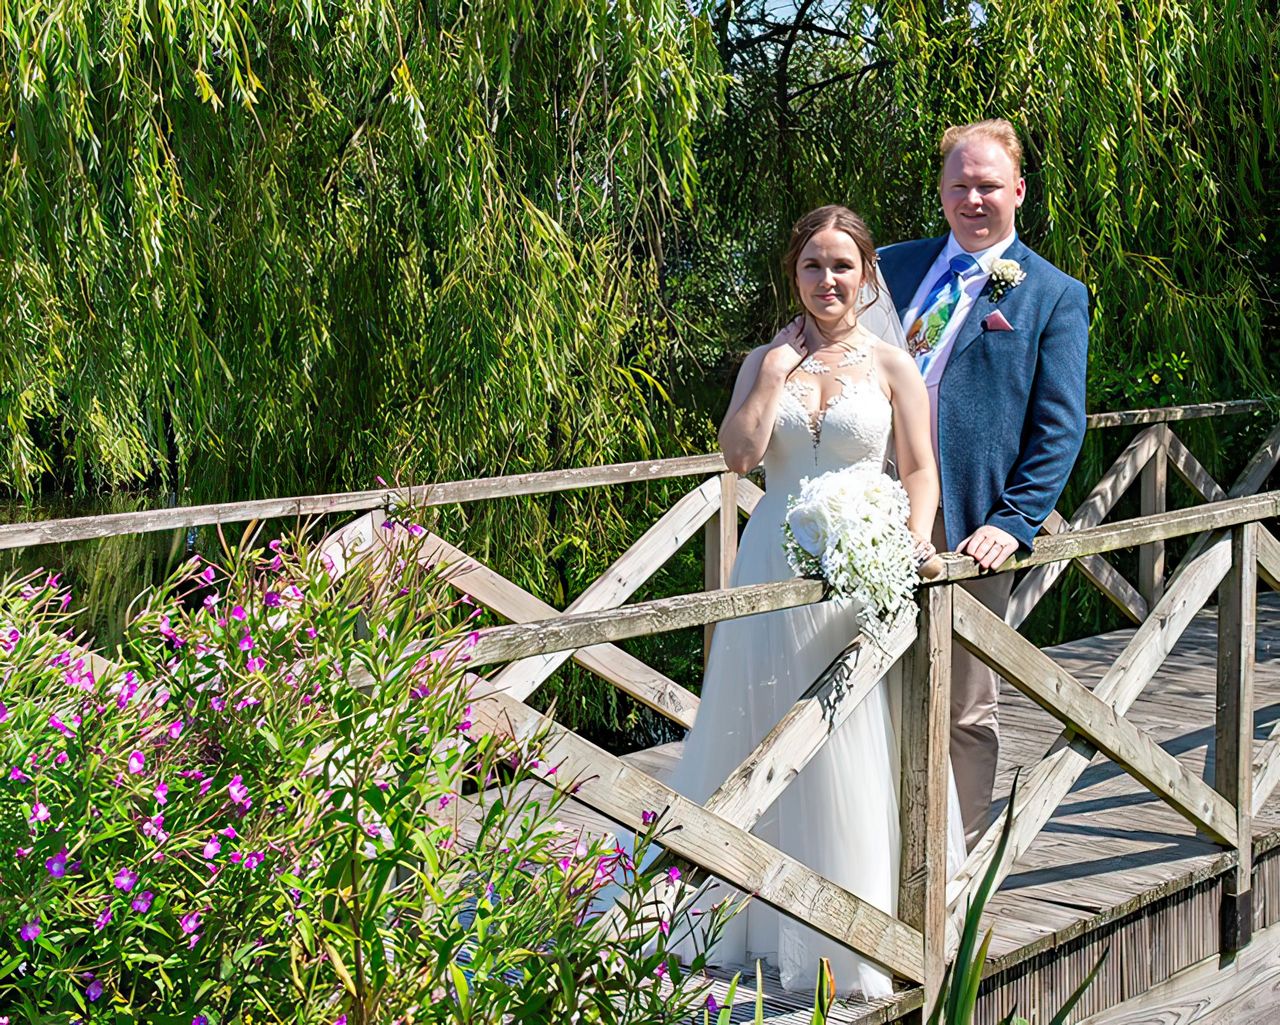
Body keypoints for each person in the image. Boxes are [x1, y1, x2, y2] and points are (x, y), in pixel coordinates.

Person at [660, 205, 965, 999]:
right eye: (812, 267)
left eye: (842, 266)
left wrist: (912, 537)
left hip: (862, 566)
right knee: (762, 727)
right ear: (792, 275)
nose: (827, 281)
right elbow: (738, 455)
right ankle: (750, 912)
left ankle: (856, 927)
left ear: (866, 274)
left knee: (850, 738)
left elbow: (921, 467)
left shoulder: (895, 366)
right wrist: (766, 378)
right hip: (773, 562)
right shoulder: (768, 359)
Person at [877, 119, 1089, 849]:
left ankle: (953, 863)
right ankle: (877, 851)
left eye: (989, 185)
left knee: (965, 702)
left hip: (969, 525)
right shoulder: (887, 269)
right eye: (960, 184)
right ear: (940, 191)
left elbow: (1060, 426)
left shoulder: (1053, 296)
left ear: (1018, 192)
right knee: (866, 687)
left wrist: (1018, 516)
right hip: (870, 511)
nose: (974, 198)